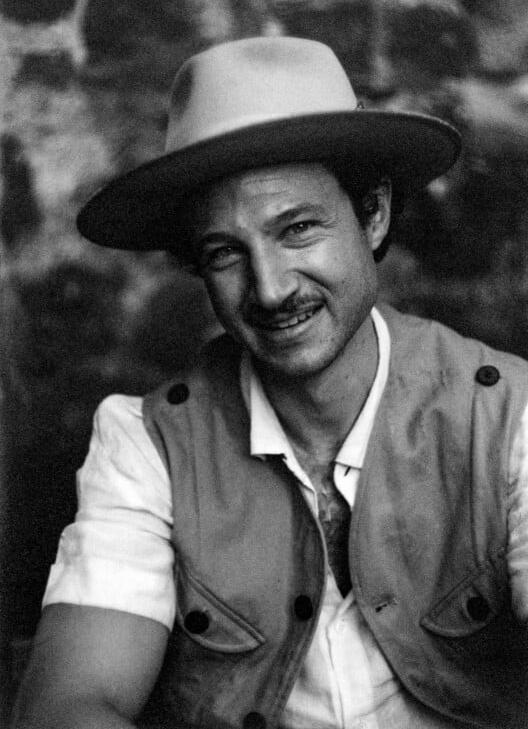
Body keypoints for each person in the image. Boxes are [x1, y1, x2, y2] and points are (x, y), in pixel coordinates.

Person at [12, 37, 528, 729]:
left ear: (371, 215)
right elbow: (69, 708)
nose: (271, 287)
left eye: (298, 229)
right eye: (225, 253)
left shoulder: (509, 418)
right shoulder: (145, 443)